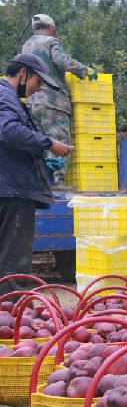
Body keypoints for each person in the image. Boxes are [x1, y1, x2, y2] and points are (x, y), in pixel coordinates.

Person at [0, 54, 72, 296]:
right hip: (12, 190)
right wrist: (48, 143)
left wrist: (41, 162)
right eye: (36, 82)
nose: (37, 89)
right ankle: (10, 311)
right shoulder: (4, 96)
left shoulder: (10, 99)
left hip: (12, 185)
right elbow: (10, 132)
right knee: (13, 261)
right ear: (23, 74)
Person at [21, 14, 94, 186]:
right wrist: (85, 70)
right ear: (51, 28)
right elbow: (63, 62)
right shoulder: (50, 42)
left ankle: (41, 183)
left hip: (32, 104)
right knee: (59, 143)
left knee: (40, 146)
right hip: (52, 103)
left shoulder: (27, 45)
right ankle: (56, 185)